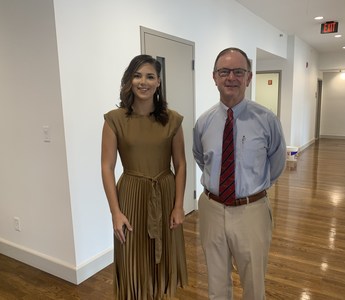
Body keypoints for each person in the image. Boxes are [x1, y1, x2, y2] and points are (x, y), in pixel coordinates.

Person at [193, 47, 286, 300]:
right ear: (214, 77)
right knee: (216, 285)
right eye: (224, 71)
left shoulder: (267, 120)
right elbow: (202, 159)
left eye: (238, 71)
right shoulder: (204, 122)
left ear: (249, 77)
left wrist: (249, 188)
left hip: (251, 211)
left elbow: (277, 164)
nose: (231, 77)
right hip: (212, 209)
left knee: (254, 284)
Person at [101, 54, 188, 299]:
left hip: (165, 193)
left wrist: (179, 206)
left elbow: (180, 164)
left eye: (150, 76)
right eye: (137, 75)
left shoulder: (172, 120)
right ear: (129, 80)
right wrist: (115, 212)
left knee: (163, 260)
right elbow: (107, 167)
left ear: (158, 82)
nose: (143, 82)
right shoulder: (114, 120)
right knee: (132, 260)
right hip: (130, 196)